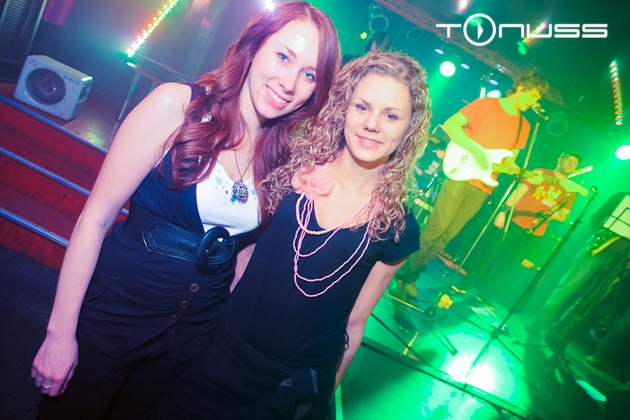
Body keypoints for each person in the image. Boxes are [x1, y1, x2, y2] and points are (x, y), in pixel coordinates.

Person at [30, 2, 341, 418]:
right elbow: (95, 219)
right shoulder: (178, 106)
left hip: (189, 340)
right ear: (254, 46)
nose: (289, 83)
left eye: (309, 75)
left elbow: (244, 258)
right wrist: (59, 333)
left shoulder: (280, 157)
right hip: (114, 315)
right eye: (283, 57)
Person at [158, 51, 431, 419]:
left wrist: (319, 403)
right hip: (219, 358)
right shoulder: (290, 168)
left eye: (391, 115)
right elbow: (242, 260)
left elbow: (354, 323)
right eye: (362, 107)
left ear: (409, 128)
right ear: (344, 108)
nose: (372, 124)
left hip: (290, 392)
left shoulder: (396, 226)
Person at [391, 71, 549, 299]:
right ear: (522, 87)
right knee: (435, 229)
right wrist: (477, 151)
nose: (533, 102)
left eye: (538, 99)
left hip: (483, 187)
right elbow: (451, 125)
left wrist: (525, 175)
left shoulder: (523, 126)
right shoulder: (487, 105)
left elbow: (510, 161)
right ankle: (402, 275)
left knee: (446, 237)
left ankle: (412, 276)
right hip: (461, 174)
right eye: (533, 95)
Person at [457, 150, 582, 309]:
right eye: (568, 160)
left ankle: (485, 293)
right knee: (490, 253)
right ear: (560, 159)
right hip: (515, 221)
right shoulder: (540, 173)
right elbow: (519, 192)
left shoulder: (571, 190)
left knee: (510, 264)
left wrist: (553, 213)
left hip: (535, 232)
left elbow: (563, 216)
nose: (570, 164)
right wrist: (504, 211)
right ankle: (465, 283)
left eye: (574, 163)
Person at [526, 191, 630, 340]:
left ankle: (560, 332)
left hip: (620, 263)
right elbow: (596, 217)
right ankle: (538, 323)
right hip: (596, 249)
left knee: (589, 300)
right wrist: (599, 233)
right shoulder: (622, 197)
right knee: (568, 287)